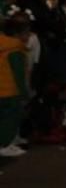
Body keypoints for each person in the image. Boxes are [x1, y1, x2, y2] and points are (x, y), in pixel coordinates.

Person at [0, 14, 31, 157]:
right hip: (10, 90)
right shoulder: (15, 49)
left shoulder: (3, 47)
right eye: (26, 33)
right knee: (10, 118)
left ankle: (7, 143)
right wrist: (24, 92)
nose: (29, 36)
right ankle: (5, 144)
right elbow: (18, 74)